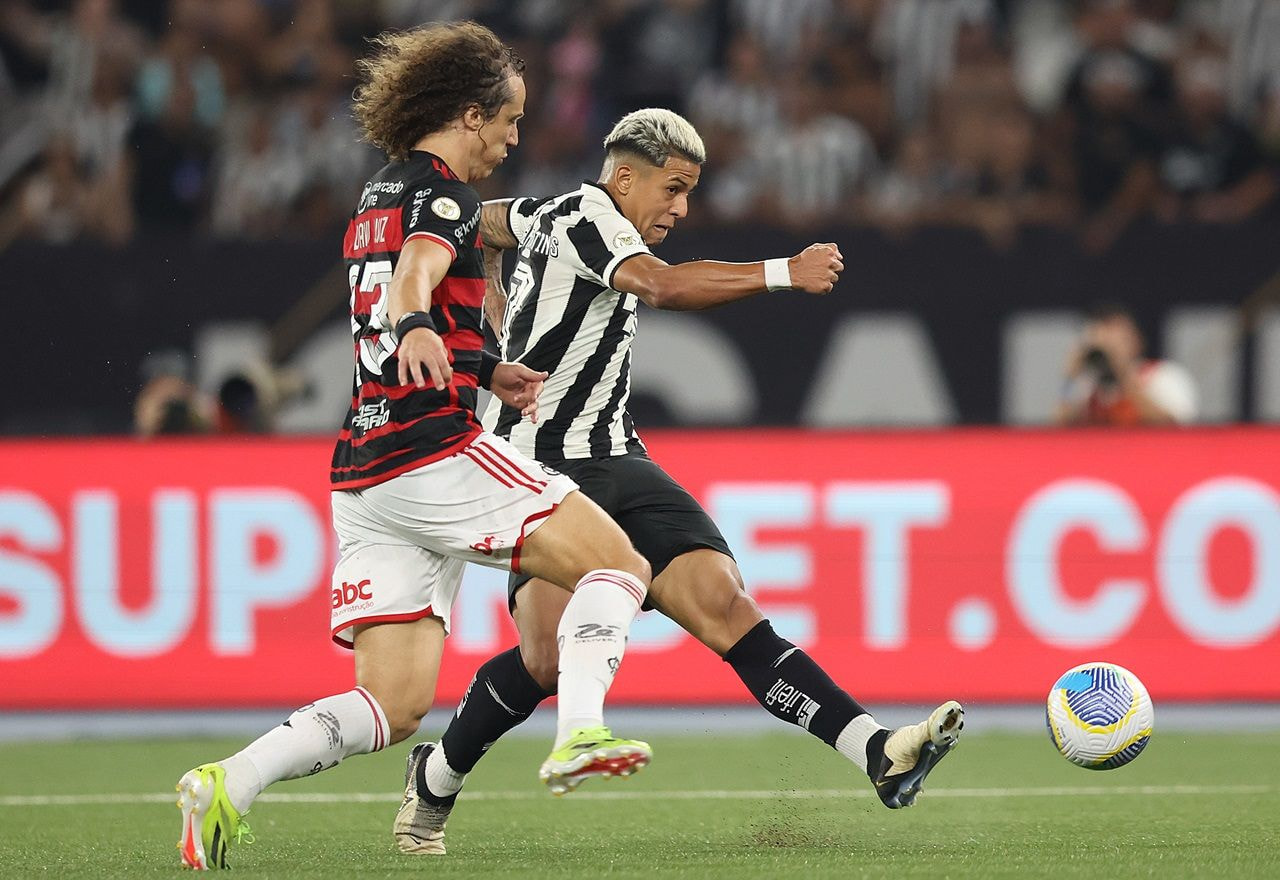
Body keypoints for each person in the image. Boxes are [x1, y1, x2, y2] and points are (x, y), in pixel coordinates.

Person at [394, 108, 965, 856]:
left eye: (690, 191)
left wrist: (487, 268)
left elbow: (487, 220)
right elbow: (660, 289)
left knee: (726, 607)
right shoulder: (588, 216)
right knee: (546, 660)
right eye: (674, 188)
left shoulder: (553, 213)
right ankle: (434, 777)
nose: (682, 208)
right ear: (624, 177)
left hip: (621, 457)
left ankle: (876, 751)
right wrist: (782, 272)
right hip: (540, 466)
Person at [175, 23, 658, 870]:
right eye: (507, 123)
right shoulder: (443, 195)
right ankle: (581, 731)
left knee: (393, 706)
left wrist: (489, 366)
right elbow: (412, 283)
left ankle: (230, 780)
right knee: (618, 565)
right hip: (431, 451)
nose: (511, 142)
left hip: (365, 474)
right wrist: (414, 323)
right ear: (469, 116)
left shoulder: (376, 197)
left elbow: (402, 292)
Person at [1056, 302, 1197, 426]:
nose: (1109, 346)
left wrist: (1123, 373)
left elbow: (1173, 426)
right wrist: (1070, 377)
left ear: (1137, 340)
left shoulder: (1163, 375)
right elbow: (1060, 425)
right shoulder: (1088, 386)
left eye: (1116, 339)